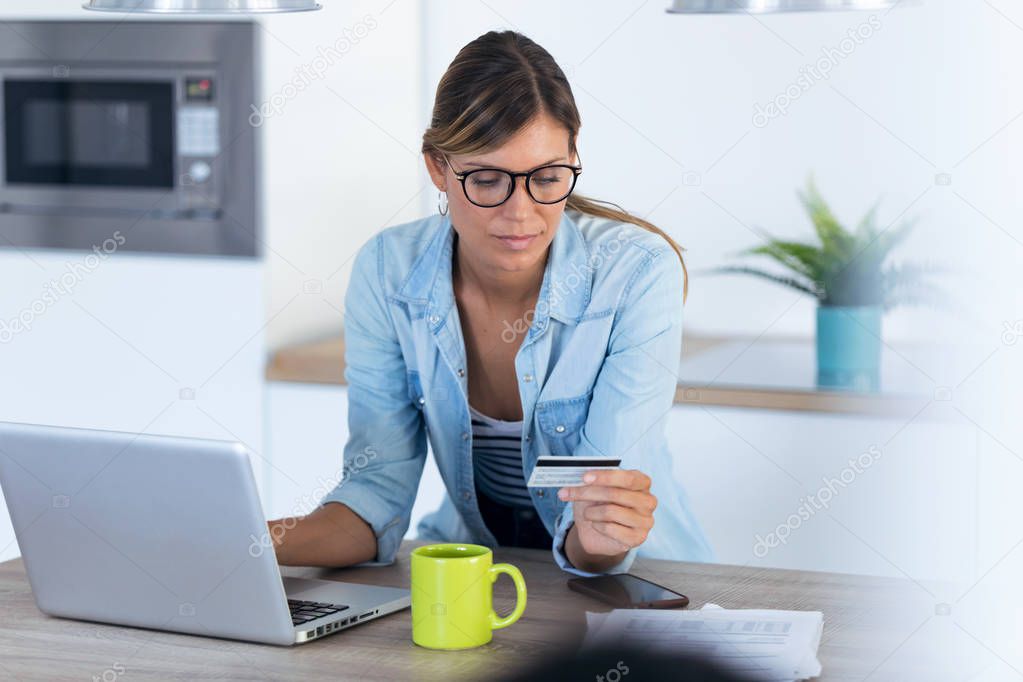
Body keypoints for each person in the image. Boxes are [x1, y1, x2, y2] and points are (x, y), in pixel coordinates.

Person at [269, 30, 712, 576]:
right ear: (437, 167)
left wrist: (602, 535)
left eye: (547, 178)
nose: (521, 213)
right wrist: (249, 542)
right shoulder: (388, 270)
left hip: (638, 581)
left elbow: (598, 527)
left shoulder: (636, 273)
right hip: (479, 572)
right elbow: (376, 494)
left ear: (574, 157)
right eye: (486, 180)